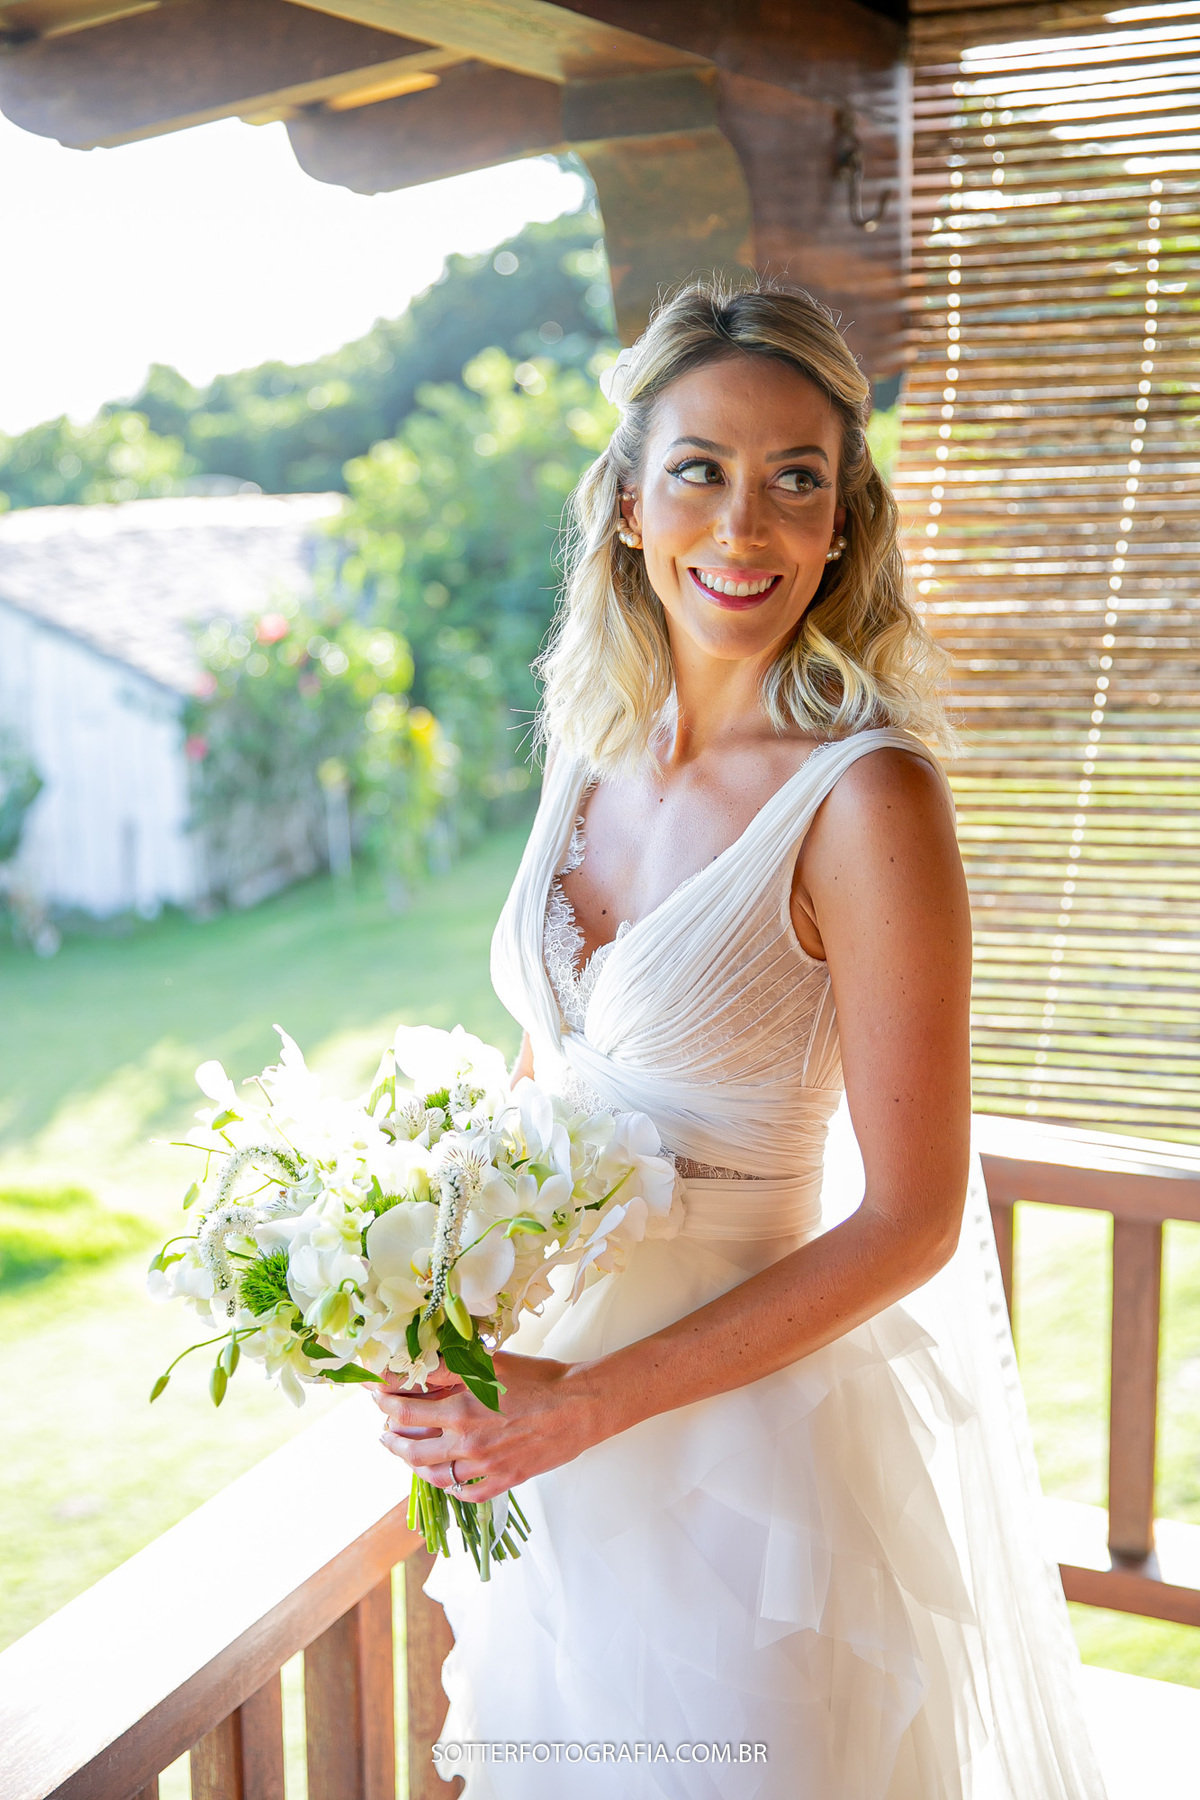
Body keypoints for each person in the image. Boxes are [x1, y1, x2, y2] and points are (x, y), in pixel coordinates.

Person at [375, 281, 1107, 1798]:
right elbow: (555, 1078)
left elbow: (908, 1224)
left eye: (799, 480)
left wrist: (587, 1406)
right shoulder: (591, 749)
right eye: (703, 470)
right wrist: (430, 1300)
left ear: (845, 525)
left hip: (745, 1467)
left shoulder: (866, 799)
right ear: (629, 503)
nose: (747, 526)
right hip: (552, 1444)